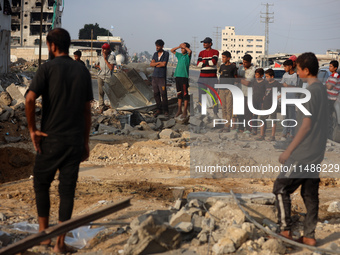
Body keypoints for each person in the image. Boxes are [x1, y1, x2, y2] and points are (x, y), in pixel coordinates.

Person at [25, 28, 93, 253]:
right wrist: (85, 142)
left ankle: (44, 235)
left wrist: (33, 130)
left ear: (52, 46)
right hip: (74, 140)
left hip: (50, 139)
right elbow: (86, 111)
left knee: (41, 184)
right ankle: (60, 243)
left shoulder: (46, 68)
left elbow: (29, 99)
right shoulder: (82, 71)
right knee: (67, 190)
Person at [273, 52, 328, 246]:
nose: (296, 71)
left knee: (280, 188)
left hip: (303, 152)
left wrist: (289, 151)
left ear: (306, 71)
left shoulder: (310, 93)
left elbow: (306, 125)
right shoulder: (321, 90)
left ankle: (285, 230)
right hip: (317, 152)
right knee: (309, 194)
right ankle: (309, 236)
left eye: (298, 69)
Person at [256, 68, 282, 141]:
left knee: (273, 120)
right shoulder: (266, 84)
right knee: (262, 119)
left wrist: (278, 96)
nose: (266, 78)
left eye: (267, 76)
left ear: (272, 76)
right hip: (265, 104)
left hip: (273, 104)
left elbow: (284, 91)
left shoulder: (276, 84)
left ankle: (273, 136)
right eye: (265, 76)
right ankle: (262, 135)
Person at [197, 37, 219, 118]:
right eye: (203, 43)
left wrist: (203, 62)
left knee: (214, 96)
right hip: (202, 78)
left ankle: (215, 113)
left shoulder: (215, 52)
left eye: (205, 43)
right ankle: (201, 113)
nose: (204, 44)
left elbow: (213, 62)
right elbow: (198, 64)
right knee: (201, 96)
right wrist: (207, 62)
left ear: (210, 44)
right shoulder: (201, 53)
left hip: (212, 78)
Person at [170, 42, 192, 118]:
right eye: (182, 48)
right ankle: (179, 110)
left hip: (184, 77)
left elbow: (190, 51)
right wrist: (179, 46)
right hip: (177, 76)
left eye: (183, 48)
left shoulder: (187, 56)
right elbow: (172, 50)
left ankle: (185, 111)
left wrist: (185, 47)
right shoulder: (179, 55)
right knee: (179, 94)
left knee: (185, 94)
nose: (182, 49)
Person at [218, 50, 237, 132]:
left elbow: (236, 78)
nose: (222, 59)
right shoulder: (222, 66)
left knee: (229, 107)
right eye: (222, 57)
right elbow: (220, 77)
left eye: (224, 57)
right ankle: (225, 124)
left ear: (228, 58)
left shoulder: (233, 67)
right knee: (223, 108)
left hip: (229, 89)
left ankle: (227, 126)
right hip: (222, 89)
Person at [150, 39, 170, 117]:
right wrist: (158, 63)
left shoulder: (166, 54)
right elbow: (151, 64)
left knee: (163, 93)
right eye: (156, 46)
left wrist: (155, 63)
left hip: (161, 77)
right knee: (156, 93)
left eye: (158, 46)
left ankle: (166, 110)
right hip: (155, 77)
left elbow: (164, 64)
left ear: (162, 46)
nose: (157, 47)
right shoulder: (155, 54)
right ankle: (159, 109)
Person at [237, 54, 255, 133]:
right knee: (239, 112)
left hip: (248, 94)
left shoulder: (253, 70)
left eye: (245, 62)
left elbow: (247, 83)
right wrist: (242, 79)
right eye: (243, 62)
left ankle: (248, 128)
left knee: (247, 112)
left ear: (249, 62)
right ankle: (241, 127)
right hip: (240, 93)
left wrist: (239, 79)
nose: (244, 64)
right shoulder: (240, 68)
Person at [95, 43, 115, 112]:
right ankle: (101, 107)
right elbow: (95, 64)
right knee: (101, 92)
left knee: (109, 92)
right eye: (103, 49)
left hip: (108, 77)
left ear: (108, 50)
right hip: (100, 76)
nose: (103, 50)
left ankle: (112, 106)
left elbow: (111, 67)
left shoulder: (111, 57)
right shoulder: (100, 57)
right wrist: (99, 66)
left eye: (105, 49)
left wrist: (106, 59)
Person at [281, 59, 298, 139]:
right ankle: (284, 132)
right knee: (285, 117)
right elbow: (282, 84)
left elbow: (295, 86)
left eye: (286, 67)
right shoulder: (285, 75)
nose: (285, 68)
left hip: (292, 98)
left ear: (290, 67)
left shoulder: (295, 75)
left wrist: (287, 86)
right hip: (285, 98)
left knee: (291, 117)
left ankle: (292, 133)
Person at [249, 68, 266, 135]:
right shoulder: (254, 82)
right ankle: (255, 130)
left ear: (261, 75)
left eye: (258, 75)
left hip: (261, 101)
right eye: (255, 75)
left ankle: (263, 131)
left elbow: (266, 91)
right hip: (254, 100)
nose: (256, 76)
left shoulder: (264, 82)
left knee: (262, 117)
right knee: (254, 116)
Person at [325, 60, 340, 138]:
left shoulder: (335, 76)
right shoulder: (331, 76)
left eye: (331, 66)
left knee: (329, 118)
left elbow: (329, 87)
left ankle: (329, 134)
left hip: (332, 99)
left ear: (335, 68)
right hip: (329, 98)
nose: (329, 67)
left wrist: (327, 85)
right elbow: (327, 84)